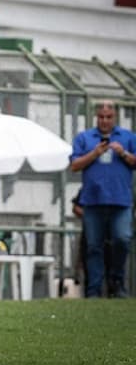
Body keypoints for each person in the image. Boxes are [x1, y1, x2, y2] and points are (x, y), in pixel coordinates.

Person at [70, 101, 136, 298]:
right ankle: (94, 290)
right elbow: (74, 165)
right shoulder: (85, 138)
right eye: (101, 117)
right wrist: (95, 153)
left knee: (122, 239)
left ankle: (116, 281)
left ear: (115, 117)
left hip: (121, 201)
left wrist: (122, 153)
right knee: (93, 246)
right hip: (93, 201)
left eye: (109, 117)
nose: (105, 121)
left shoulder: (128, 138)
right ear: (96, 117)